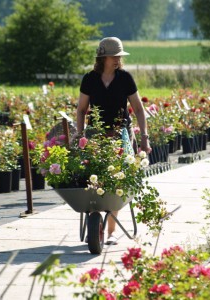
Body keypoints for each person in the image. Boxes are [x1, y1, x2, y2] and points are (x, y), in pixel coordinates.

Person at [76, 37, 151, 245]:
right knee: (94, 177)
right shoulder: (90, 79)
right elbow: (82, 110)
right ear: (103, 57)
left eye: (119, 56)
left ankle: (111, 231)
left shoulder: (125, 78)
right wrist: (80, 133)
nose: (118, 59)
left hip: (121, 134)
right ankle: (95, 222)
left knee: (117, 178)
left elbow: (138, 109)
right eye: (114, 55)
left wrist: (144, 136)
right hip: (96, 135)